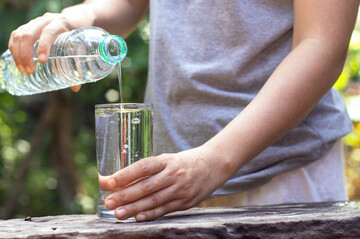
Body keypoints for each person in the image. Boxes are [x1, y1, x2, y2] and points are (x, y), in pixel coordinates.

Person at [9, 0, 359, 222]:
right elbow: (130, 4)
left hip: (284, 174)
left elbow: (321, 43)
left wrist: (213, 161)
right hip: (171, 184)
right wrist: (72, 21)